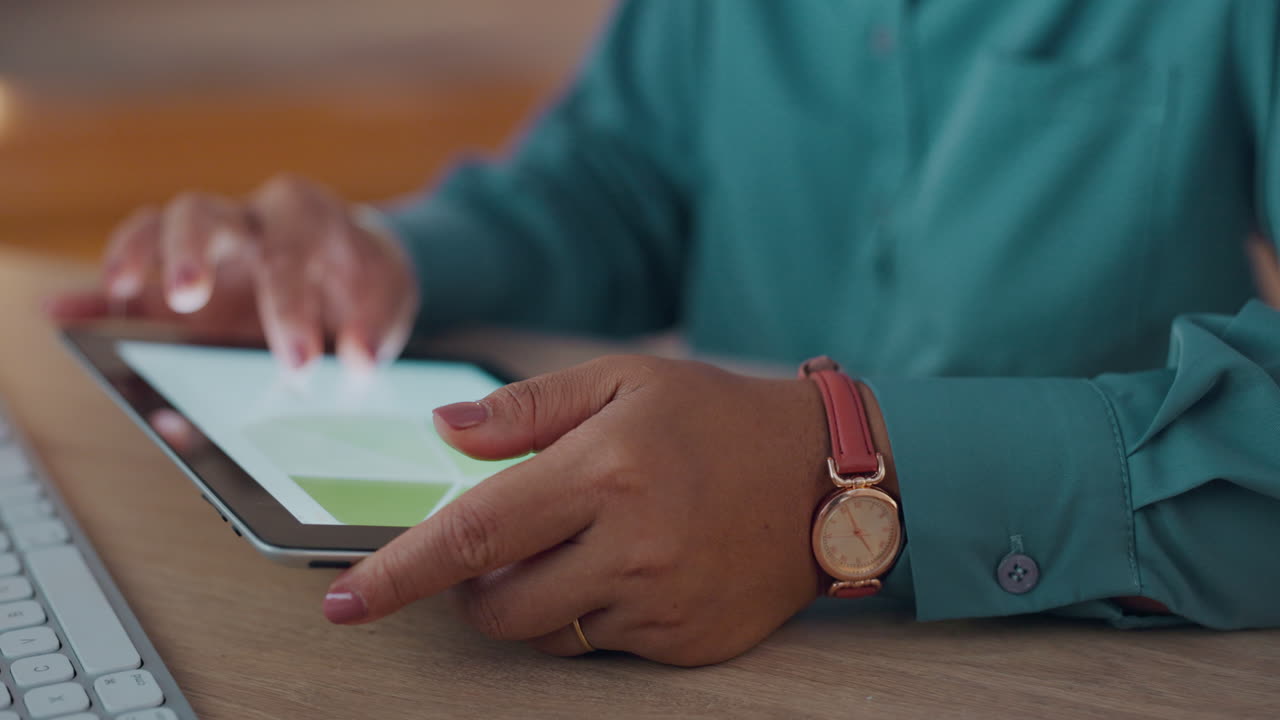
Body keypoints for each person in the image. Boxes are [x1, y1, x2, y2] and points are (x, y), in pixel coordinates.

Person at [47, 1, 1280, 666]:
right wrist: (378, 262)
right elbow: (619, 186)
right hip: (655, 639)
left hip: (1065, 663)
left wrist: (849, 478)